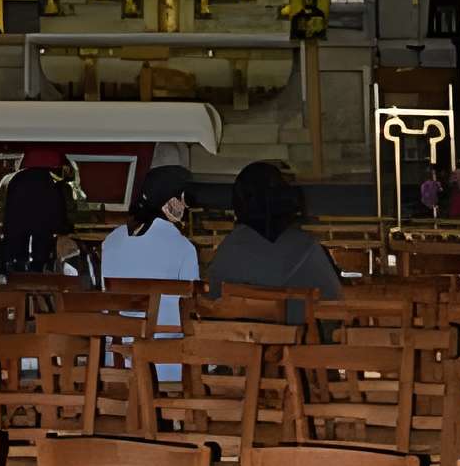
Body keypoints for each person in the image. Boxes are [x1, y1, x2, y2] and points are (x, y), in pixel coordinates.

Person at [207, 160, 343, 323]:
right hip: (300, 343)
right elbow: (334, 305)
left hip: (241, 344)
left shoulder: (227, 249)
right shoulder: (306, 247)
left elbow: (215, 303)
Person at [100, 162, 199, 380]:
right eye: (183, 198)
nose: (186, 206)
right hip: (168, 363)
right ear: (168, 201)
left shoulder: (111, 241)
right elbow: (192, 307)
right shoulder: (183, 247)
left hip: (117, 361)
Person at [0, 147, 75, 274]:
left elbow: (5, 215)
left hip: (16, 247)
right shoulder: (53, 184)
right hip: (40, 247)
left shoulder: (15, 180)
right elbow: (59, 217)